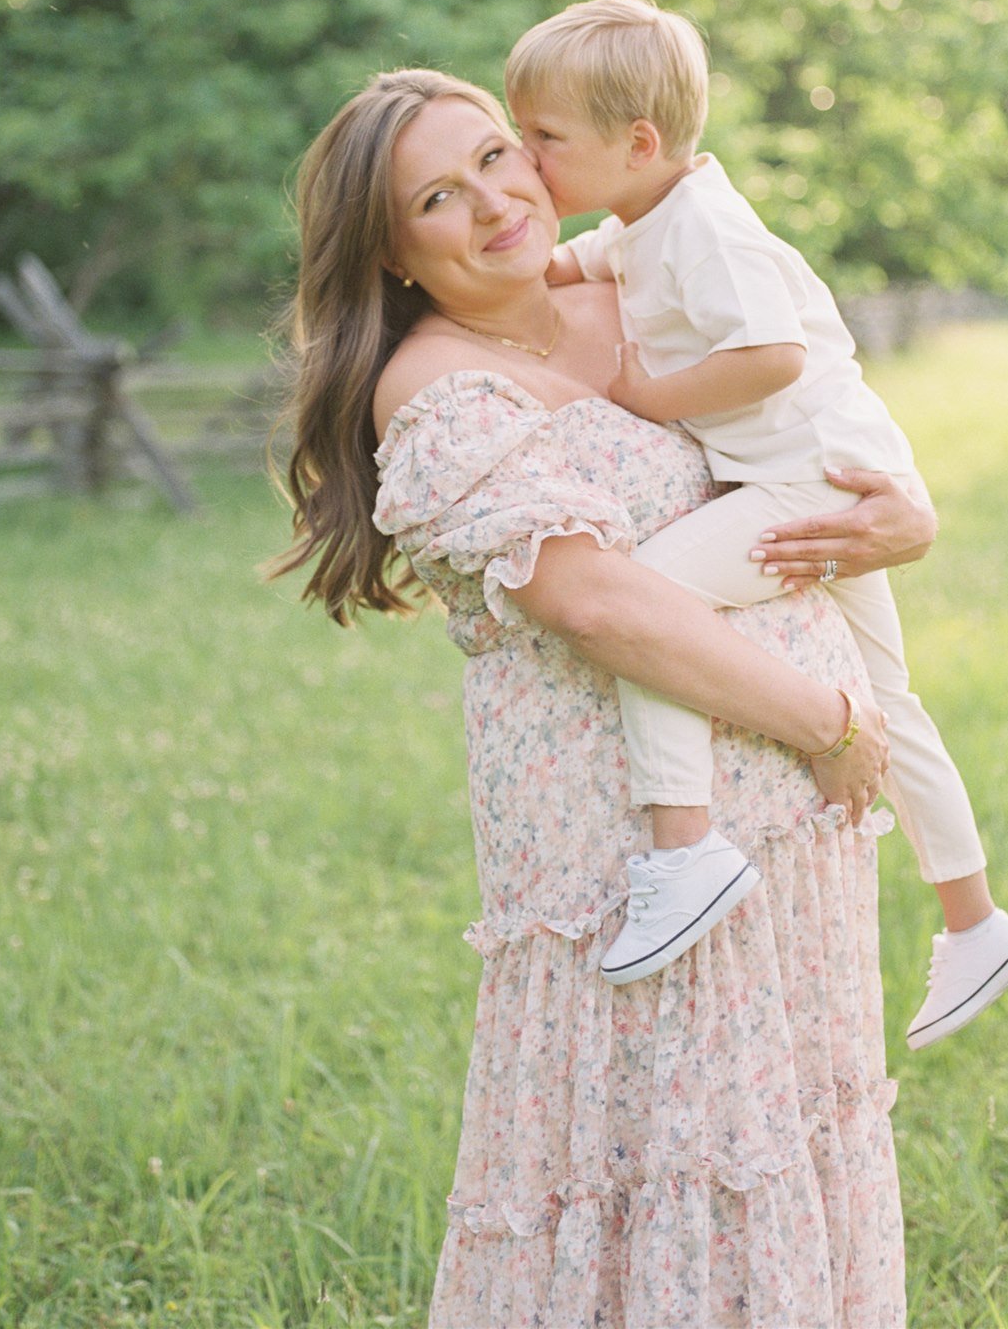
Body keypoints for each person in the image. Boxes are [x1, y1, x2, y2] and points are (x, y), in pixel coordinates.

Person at [272, 67, 927, 1327]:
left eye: (498, 158)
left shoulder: (642, 283)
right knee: (661, 1153)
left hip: (786, 827)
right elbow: (595, 605)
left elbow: (803, 423)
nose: (494, 202)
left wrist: (899, 512)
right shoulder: (438, 389)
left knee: (776, 1129)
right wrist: (829, 721)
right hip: (628, 846)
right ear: (395, 253)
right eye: (437, 197)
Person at [504, 0, 1008, 1042]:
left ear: (638, 142)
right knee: (891, 695)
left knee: (648, 597)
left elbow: (773, 355)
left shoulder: (709, 232)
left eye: (542, 138)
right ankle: (973, 918)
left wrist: (643, 393)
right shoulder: (645, 217)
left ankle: (683, 845)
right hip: (832, 472)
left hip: (813, 480)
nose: (527, 158)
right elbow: (573, 265)